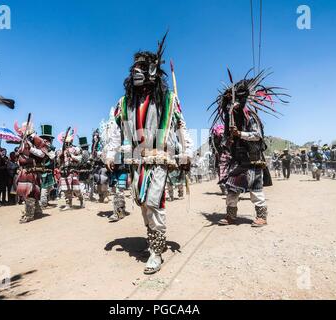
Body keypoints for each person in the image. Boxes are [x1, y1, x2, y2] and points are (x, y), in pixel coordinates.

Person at [105, 34, 193, 274]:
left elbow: (180, 126)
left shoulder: (167, 99)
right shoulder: (124, 102)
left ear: (153, 71)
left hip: (160, 158)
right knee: (142, 203)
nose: (136, 72)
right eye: (134, 68)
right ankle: (154, 239)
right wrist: (111, 152)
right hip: (136, 160)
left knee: (154, 202)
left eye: (142, 67)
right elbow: (116, 128)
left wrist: (187, 152)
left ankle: (156, 251)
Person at [210, 69, 283, 228]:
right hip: (237, 160)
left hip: (253, 159)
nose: (233, 104)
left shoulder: (250, 116)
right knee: (232, 189)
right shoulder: (231, 118)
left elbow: (257, 135)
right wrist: (229, 139)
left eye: (236, 100)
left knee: (256, 191)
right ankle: (231, 216)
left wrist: (241, 134)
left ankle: (261, 217)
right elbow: (228, 139)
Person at [15, 121, 47, 223]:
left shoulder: (36, 138)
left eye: (23, 128)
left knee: (30, 193)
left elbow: (43, 154)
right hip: (24, 171)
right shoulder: (24, 139)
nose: (21, 130)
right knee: (27, 193)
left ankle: (29, 215)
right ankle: (37, 211)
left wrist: (31, 148)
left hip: (32, 171)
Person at [57, 132, 86, 211]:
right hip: (64, 171)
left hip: (73, 170)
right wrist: (60, 156)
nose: (67, 143)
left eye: (68, 142)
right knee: (66, 189)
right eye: (65, 142)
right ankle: (68, 204)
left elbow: (80, 159)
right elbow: (58, 161)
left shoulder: (76, 149)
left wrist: (72, 156)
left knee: (76, 189)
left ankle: (81, 199)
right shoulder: (60, 150)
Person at [39, 125, 57, 208]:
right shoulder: (44, 146)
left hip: (49, 170)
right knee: (44, 187)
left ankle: (45, 201)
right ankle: (43, 203)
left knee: (49, 187)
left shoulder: (47, 146)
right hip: (44, 170)